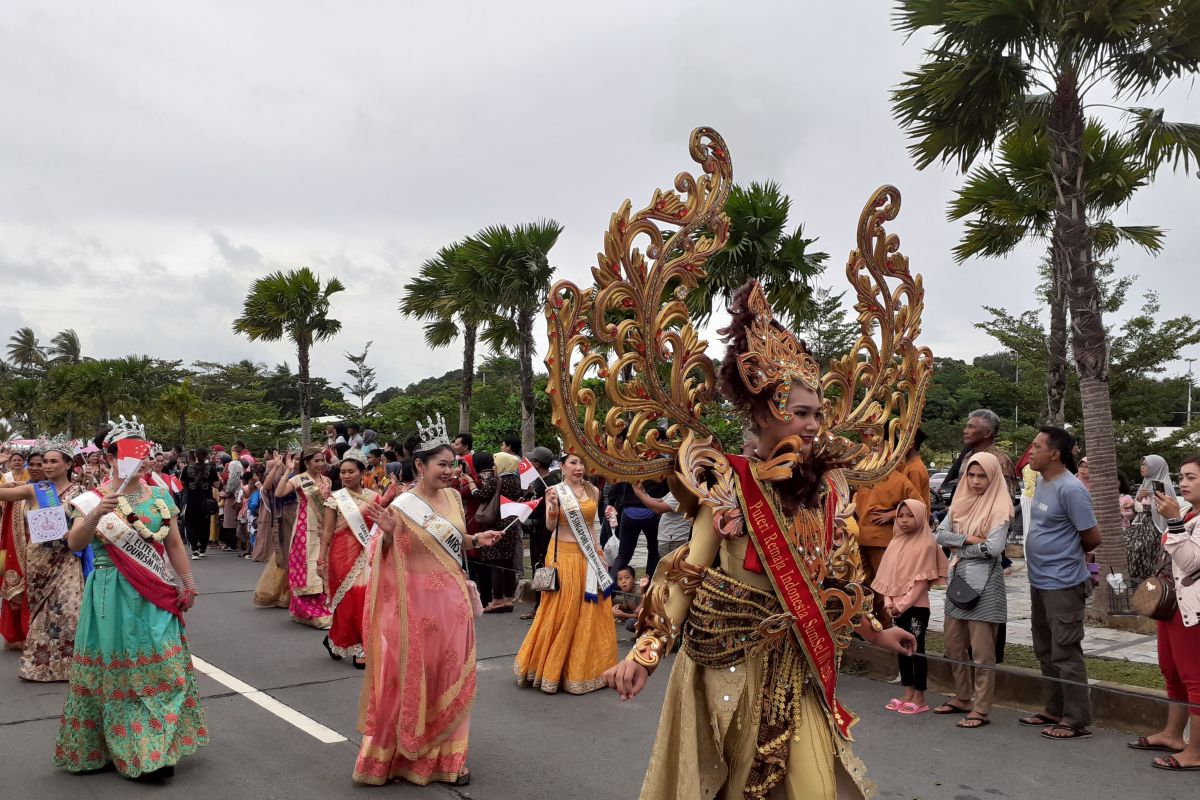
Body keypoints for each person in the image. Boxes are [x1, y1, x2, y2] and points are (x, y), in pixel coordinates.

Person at [603, 281, 918, 798]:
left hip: (799, 664)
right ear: (767, 411)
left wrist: (875, 632)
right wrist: (645, 651)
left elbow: (836, 580)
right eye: (801, 412)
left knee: (813, 788)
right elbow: (688, 573)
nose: (814, 424)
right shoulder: (728, 481)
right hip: (730, 664)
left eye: (818, 413)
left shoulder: (830, 488)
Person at [352, 418, 502, 786]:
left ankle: (449, 760)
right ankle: (398, 755)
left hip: (452, 602)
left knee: (451, 674)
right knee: (412, 678)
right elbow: (379, 557)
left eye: (453, 464)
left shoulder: (452, 497)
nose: (450, 472)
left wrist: (478, 539)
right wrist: (387, 537)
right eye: (443, 465)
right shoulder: (402, 506)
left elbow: (458, 540)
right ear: (420, 466)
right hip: (413, 605)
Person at [55, 421, 206, 780]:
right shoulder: (91, 498)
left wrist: (187, 582)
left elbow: (173, 543)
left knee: (162, 670)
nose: (142, 460)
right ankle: (122, 746)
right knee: (118, 673)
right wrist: (96, 513)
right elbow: (75, 545)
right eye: (130, 454)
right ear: (110, 457)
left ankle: (157, 742)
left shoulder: (158, 496)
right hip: (112, 592)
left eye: (144, 453)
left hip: (155, 590)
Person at [1020, 426, 1100, 740]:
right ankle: (1053, 709)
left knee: (1066, 652)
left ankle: (1076, 720)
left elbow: (1092, 537)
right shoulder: (1042, 481)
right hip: (1039, 581)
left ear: (1055, 453)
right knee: (1045, 649)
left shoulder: (1072, 489)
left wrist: (1063, 557)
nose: (1031, 451)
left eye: (1037, 446)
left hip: (1063, 584)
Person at [515, 452, 617, 694]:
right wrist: (551, 508)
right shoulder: (555, 490)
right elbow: (551, 527)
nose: (579, 467)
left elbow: (592, 526)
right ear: (562, 466)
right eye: (573, 462)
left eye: (582, 462)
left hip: (588, 556)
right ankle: (550, 669)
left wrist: (599, 554)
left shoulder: (593, 490)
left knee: (591, 610)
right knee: (563, 609)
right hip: (563, 556)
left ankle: (586, 668)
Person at [1129, 455, 1200, 771]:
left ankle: (1195, 751)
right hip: (1173, 605)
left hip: (1194, 610)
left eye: (1192, 478)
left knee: (1195, 678)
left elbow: (1190, 561)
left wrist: (1173, 522)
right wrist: (1170, 516)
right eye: (1182, 476)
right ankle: (1173, 734)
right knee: (1171, 670)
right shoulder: (1188, 512)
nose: (1183, 483)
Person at [933, 452, 1013, 729]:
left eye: (983, 476)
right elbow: (939, 535)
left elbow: (993, 549)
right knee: (954, 646)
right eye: (971, 474)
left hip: (985, 589)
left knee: (982, 653)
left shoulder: (1001, 508)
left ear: (993, 479)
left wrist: (960, 547)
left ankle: (981, 709)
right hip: (958, 584)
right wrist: (969, 538)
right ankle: (962, 697)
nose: (976, 481)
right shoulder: (959, 503)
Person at [0, 436, 87, 680]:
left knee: (71, 611)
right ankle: (39, 667)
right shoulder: (35, 490)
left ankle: (71, 666)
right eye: (45, 461)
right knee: (42, 614)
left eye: (53, 461)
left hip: (68, 558)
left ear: (68, 464)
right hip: (38, 560)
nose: (47, 466)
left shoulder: (81, 492)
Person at [873, 499, 947, 716]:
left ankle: (920, 696)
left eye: (910, 515)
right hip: (894, 607)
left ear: (921, 516)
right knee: (901, 648)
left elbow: (921, 583)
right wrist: (888, 603)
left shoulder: (926, 544)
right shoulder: (895, 542)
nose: (904, 520)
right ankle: (906, 692)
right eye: (900, 515)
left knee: (916, 649)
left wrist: (901, 606)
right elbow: (887, 577)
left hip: (916, 607)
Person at [318, 448, 382, 667]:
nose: (346, 476)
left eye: (351, 471)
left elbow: (380, 528)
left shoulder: (374, 498)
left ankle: (361, 645)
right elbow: (326, 531)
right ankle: (336, 639)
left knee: (363, 599)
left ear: (362, 472)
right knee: (346, 601)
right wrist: (321, 559)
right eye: (343, 472)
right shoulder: (335, 499)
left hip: (366, 554)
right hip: (340, 554)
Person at [853, 430, 921, 621]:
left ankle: (885, 628)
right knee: (864, 587)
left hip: (883, 542)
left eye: (879, 446)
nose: (874, 450)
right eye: (872, 447)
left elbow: (918, 506)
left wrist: (892, 514)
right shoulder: (864, 475)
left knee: (884, 590)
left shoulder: (898, 478)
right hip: (860, 539)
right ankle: (870, 626)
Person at [275, 444, 333, 629]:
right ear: (307, 463)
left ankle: (322, 606)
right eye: (316, 460)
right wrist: (288, 471)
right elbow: (279, 493)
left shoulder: (327, 481)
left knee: (322, 566)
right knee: (306, 570)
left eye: (322, 460)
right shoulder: (300, 479)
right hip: (304, 529)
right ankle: (306, 610)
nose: (320, 464)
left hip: (323, 528)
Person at [1127, 454, 1192, 584]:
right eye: (1142, 465)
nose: (1142, 467)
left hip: (1156, 527)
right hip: (1142, 525)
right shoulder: (1145, 484)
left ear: (1155, 468)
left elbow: (1164, 510)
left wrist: (1149, 499)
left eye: (1145, 465)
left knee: (1140, 549)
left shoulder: (1163, 486)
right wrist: (1139, 499)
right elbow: (1138, 508)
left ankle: (1149, 582)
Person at [253, 449, 299, 607]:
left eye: (301, 459)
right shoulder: (285, 475)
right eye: (295, 459)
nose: (298, 462)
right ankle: (283, 592)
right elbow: (266, 486)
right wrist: (279, 466)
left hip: (305, 518)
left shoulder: (311, 477)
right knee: (285, 554)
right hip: (286, 516)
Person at [521, 446, 561, 619]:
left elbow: (539, 510)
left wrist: (526, 507)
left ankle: (541, 606)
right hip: (543, 530)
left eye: (532, 460)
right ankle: (542, 604)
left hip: (542, 531)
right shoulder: (550, 480)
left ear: (537, 463)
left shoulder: (546, 483)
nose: (529, 462)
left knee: (541, 566)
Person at [607, 476, 668, 582]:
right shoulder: (660, 462)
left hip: (629, 511)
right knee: (653, 551)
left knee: (623, 555)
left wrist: (610, 503)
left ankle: (609, 590)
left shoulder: (628, 461)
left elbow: (616, 482)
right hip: (653, 509)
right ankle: (649, 587)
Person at [183, 447, 220, 558]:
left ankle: (194, 549)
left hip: (191, 501)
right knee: (204, 525)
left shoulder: (187, 468)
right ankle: (202, 548)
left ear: (195, 455)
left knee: (190, 525)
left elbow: (182, 483)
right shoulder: (211, 468)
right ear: (206, 456)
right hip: (206, 503)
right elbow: (217, 485)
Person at [612, 565, 643, 632]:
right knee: (616, 611)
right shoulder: (626, 591)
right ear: (617, 583)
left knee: (630, 623)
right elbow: (627, 606)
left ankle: (642, 632)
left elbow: (641, 615)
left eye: (627, 578)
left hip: (643, 617)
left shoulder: (638, 593)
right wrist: (619, 606)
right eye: (620, 579)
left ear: (634, 579)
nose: (623, 581)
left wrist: (624, 615)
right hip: (634, 613)